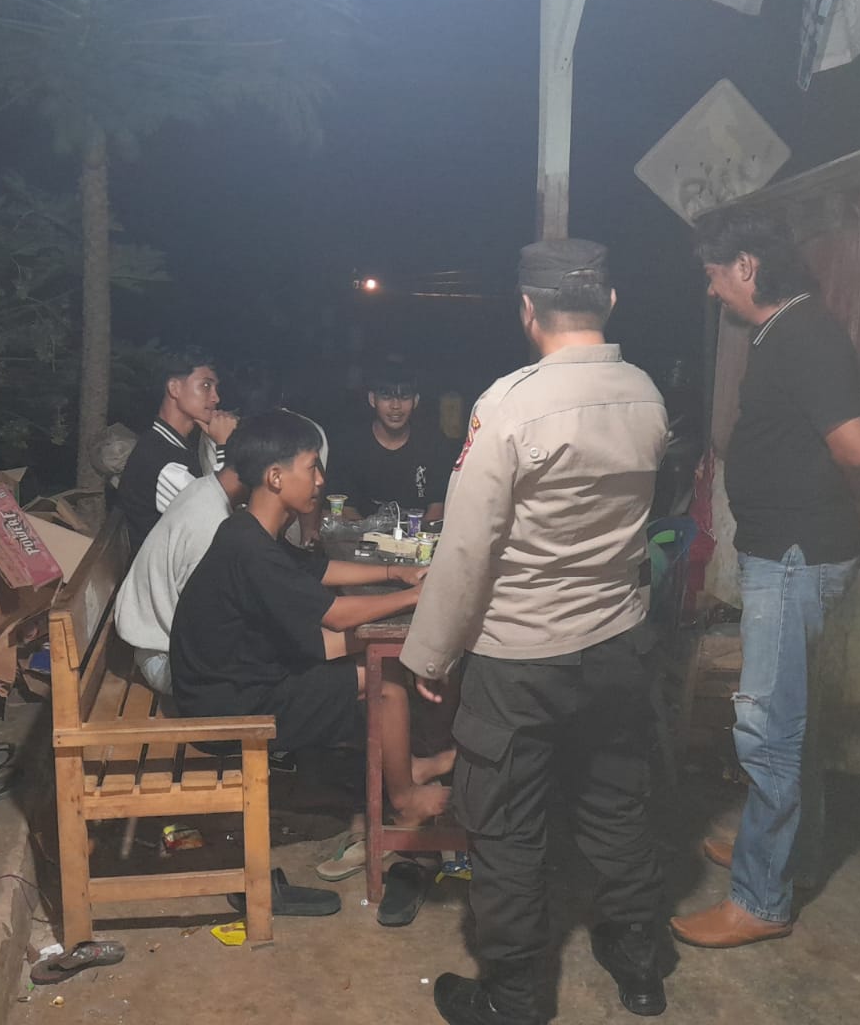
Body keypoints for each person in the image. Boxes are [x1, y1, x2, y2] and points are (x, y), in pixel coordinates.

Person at [402, 239, 673, 1025]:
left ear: (527, 311)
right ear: (609, 302)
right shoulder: (647, 396)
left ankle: (514, 999)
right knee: (617, 805)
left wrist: (430, 654)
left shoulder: (510, 406)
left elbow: (468, 546)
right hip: (618, 643)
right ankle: (641, 968)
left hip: (520, 656)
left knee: (508, 829)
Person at [670, 211, 860, 950]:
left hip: (796, 557)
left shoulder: (804, 335)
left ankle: (762, 898)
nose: (711, 292)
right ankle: (787, 854)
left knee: (769, 729)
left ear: (745, 266)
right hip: (795, 549)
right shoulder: (789, 330)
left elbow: (855, 446)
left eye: (714, 277)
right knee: (795, 722)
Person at [170, 411, 454, 824]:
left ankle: (405, 768)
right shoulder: (251, 550)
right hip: (229, 705)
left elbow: (319, 570)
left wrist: (396, 573)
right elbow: (336, 615)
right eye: (311, 467)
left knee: (377, 656)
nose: (321, 480)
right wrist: (414, 596)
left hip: (241, 676)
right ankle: (405, 799)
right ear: (275, 477)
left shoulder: (247, 529)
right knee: (386, 683)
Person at [113, 460, 247, 697]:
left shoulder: (204, 487)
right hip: (165, 662)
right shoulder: (211, 526)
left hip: (153, 645)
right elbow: (207, 633)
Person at [113, 348, 238, 547]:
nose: (216, 398)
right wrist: (223, 446)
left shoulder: (175, 446)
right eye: (206, 386)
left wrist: (216, 442)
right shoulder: (161, 461)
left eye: (215, 388)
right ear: (174, 389)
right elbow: (218, 521)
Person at [326, 361, 453, 523]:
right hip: (361, 534)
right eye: (386, 397)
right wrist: (371, 535)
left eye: (404, 397)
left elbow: (437, 509)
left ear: (415, 401)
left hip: (417, 535)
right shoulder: (349, 444)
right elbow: (345, 508)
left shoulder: (433, 443)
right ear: (372, 399)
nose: (395, 406)